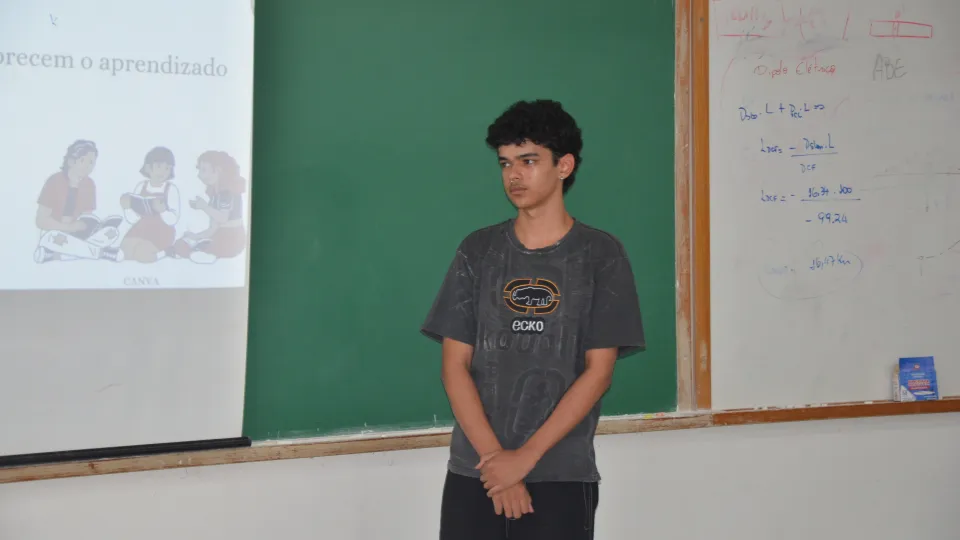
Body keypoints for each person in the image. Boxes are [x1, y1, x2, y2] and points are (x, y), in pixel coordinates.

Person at [421, 99, 645, 540]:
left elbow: (598, 373)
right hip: (477, 471)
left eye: (528, 161)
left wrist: (524, 459)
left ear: (564, 166)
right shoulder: (478, 251)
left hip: (560, 473)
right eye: (505, 163)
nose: (514, 175)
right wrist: (497, 463)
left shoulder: (601, 255)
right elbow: (454, 367)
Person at [34, 139, 123, 263]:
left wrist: (89, 227)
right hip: (56, 233)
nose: (87, 166)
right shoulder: (54, 181)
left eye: (91, 162)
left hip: (77, 236)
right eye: (83, 161)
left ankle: (54, 255)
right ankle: (102, 253)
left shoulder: (89, 184)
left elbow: (87, 218)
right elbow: (41, 221)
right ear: (71, 161)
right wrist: (68, 227)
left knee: (112, 232)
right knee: (52, 238)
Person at [170, 150, 247, 263]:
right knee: (183, 243)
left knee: (200, 248)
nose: (199, 175)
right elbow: (213, 228)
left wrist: (204, 207)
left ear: (218, 171)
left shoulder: (227, 193)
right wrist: (195, 236)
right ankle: (193, 251)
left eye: (204, 170)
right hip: (217, 236)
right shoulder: (216, 195)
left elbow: (222, 218)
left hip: (231, 240)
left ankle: (203, 254)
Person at [119, 146, 181, 263]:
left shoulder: (171, 189)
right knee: (125, 251)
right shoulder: (141, 186)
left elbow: (173, 219)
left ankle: (166, 252)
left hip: (161, 232)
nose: (163, 172)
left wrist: (163, 211)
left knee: (142, 255)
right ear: (148, 167)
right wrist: (127, 207)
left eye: (167, 168)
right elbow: (133, 219)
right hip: (141, 229)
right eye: (159, 166)